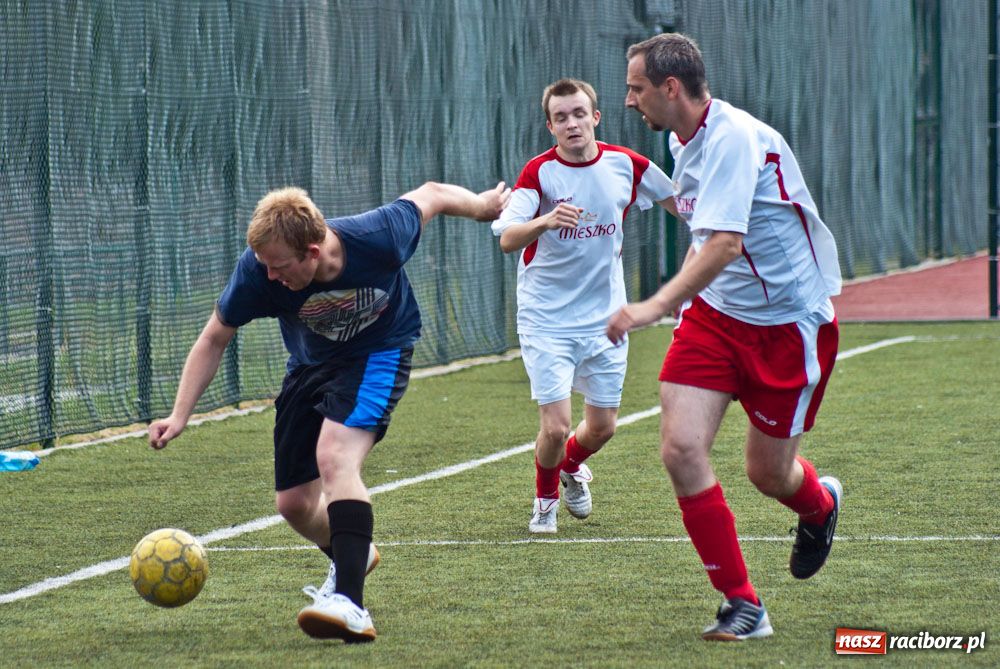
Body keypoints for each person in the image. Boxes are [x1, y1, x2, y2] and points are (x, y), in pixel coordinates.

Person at [148, 180, 510, 643]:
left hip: (379, 353)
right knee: (295, 504)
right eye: (265, 266)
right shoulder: (258, 271)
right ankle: (352, 552)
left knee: (335, 456)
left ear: (313, 252)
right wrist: (180, 415)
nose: (271, 277)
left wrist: (482, 207)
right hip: (310, 365)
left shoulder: (379, 237)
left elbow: (433, 194)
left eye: (280, 268)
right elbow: (214, 336)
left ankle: (352, 605)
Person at [607, 33, 844, 641]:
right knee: (680, 448)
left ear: (670, 88)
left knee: (768, 475)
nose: (629, 100)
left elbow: (725, 243)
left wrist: (655, 303)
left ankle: (819, 507)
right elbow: (700, 229)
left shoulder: (735, 138)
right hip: (714, 318)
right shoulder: (680, 138)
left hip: (786, 326)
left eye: (636, 88)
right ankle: (742, 603)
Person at [492, 78, 673, 533]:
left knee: (603, 428)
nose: (571, 124)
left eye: (578, 114)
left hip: (606, 319)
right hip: (546, 318)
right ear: (550, 126)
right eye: (560, 118)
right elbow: (508, 239)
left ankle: (572, 465)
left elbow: (681, 203)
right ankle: (545, 501)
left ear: (595, 117)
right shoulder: (539, 174)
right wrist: (546, 219)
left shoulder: (626, 165)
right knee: (555, 427)